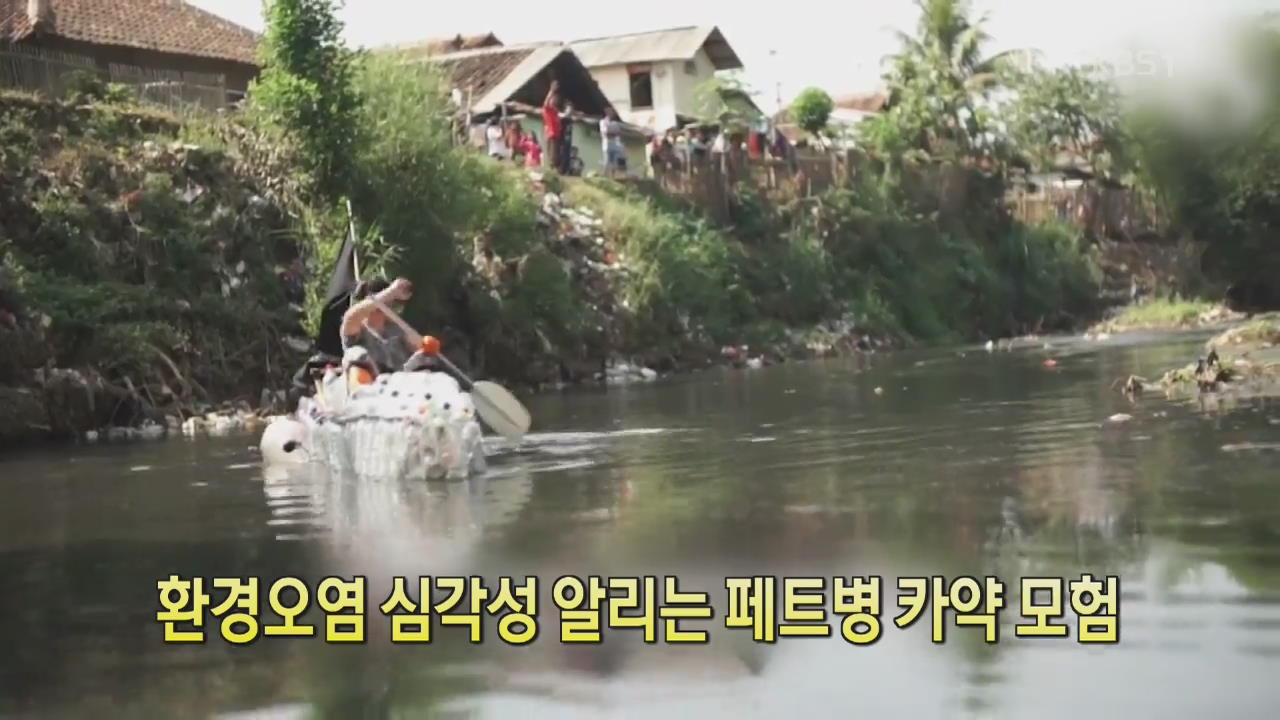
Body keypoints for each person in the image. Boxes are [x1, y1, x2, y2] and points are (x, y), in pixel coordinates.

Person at [339, 276, 419, 375]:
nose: (385, 302)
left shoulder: (399, 329)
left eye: (389, 299)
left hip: (402, 385)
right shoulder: (356, 329)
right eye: (383, 298)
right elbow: (351, 316)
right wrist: (391, 291)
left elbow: (419, 351)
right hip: (370, 388)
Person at [542, 82, 563, 171]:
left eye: (556, 99)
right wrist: (551, 91)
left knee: (556, 156)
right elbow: (546, 103)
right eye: (554, 99)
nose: (555, 100)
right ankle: (551, 171)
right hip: (551, 135)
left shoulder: (555, 110)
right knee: (552, 156)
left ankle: (554, 170)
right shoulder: (548, 109)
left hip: (556, 135)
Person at [599, 106, 625, 177]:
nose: (612, 114)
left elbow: (619, 133)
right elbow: (605, 133)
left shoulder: (615, 123)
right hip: (607, 145)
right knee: (607, 161)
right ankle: (604, 176)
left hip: (615, 145)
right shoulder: (603, 122)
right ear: (607, 113)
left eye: (612, 112)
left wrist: (612, 133)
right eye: (610, 112)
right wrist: (613, 133)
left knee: (614, 162)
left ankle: (613, 176)